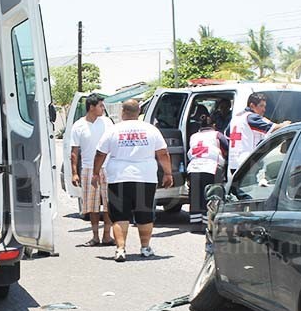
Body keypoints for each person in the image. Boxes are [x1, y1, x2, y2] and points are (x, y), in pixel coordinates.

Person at [93, 100, 173, 262]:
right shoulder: (151, 130)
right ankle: (145, 248)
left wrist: (95, 173)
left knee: (120, 216)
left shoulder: (114, 130)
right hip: (145, 178)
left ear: (123, 112)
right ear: (139, 112)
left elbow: (100, 153)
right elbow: (163, 153)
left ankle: (121, 249)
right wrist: (168, 173)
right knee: (144, 214)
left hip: (119, 178)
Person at [70, 94, 115, 246]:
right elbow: (74, 151)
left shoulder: (107, 122)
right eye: (101, 106)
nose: (103, 109)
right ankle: (95, 236)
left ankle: (107, 235)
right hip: (88, 169)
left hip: (107, 168)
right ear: (91, 107)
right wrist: (74, 173)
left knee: (109, 203)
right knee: (92, 205)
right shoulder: (78, 126)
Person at [227, 93, 290, 174]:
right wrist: (285, 124)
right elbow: (274, 128)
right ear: (252, 105)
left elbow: (228, 135)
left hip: (233, 164)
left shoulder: (236, 118)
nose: (264, 109)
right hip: (247, 163)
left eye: (264, 106)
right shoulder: (252, 117)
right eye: (261, 106)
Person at [186, 113, 228, 230]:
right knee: (210, 196)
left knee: (195, 197)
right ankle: (207, 224)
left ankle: (195, 224)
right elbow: (226, 147)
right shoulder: (217, 135)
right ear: (214, 124)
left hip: (194, 167)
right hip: (211, 168)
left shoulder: (194, 136)